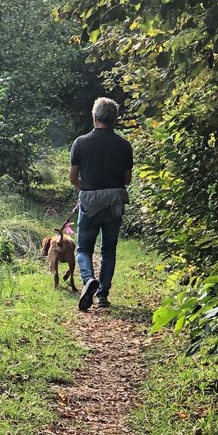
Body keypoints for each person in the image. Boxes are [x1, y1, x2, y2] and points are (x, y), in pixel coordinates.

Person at [69, 97, 133, 312]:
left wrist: (85, 188)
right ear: (115, 119)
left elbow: (73, 178)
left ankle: (88, 279)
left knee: (83, 248)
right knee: (109, 249)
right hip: (115, 200)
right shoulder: (124, 145)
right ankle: (103, 295)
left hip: (90, 200)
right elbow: (126, 180)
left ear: (94, 117)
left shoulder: (80, 142)